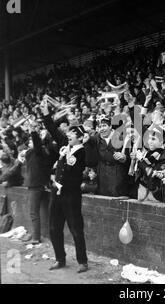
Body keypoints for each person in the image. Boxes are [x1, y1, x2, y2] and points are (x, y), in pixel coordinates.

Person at [41, 102, 89, 273]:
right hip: (57, 193)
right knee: (54, 228)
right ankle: (59, 259)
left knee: (76, 229)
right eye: (69, 132)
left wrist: (62, 185)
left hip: (71, 195)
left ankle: (82, 261)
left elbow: (75, 173)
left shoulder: (82, 152)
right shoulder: (65, 145)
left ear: (80, 138)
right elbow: (53, 130)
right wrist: (46, 114)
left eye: (73, 134)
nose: (69, 135)